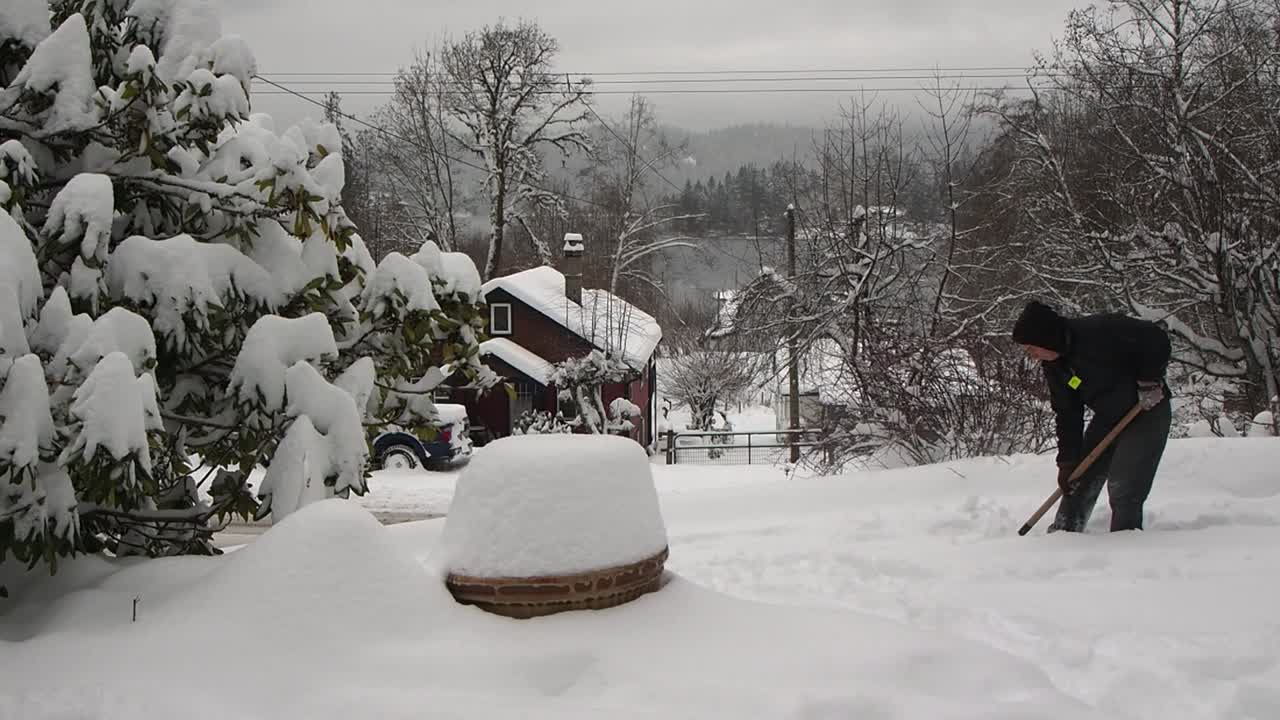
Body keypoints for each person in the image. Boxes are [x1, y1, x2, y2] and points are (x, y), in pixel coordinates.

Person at [1012, 300, 1173, 532]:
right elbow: (1067, 413)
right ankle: (1064, 534)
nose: (1033, 356)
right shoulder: (1056, 366)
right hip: (1109, 418)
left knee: (1125, 486)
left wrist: (1149, 380)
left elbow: (1156, 339)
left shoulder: (1101, 330)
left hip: (1146, 411)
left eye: (1032, 348)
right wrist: (1067, 462)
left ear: (1046, 337)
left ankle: (1125, 542)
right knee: (1077, 480)